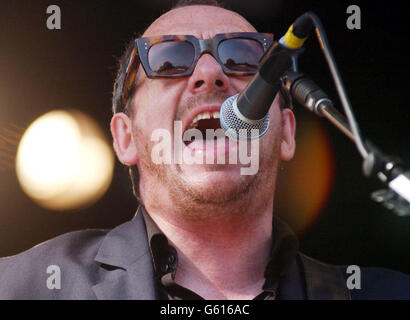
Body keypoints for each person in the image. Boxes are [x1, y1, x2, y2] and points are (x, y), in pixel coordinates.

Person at [0, 0, 409, 300]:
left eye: (243, 57)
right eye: (169, 58)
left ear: (286, 132)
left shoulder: (383, 293)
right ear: (125, 139)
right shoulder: (24, 287)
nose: (210, 73)